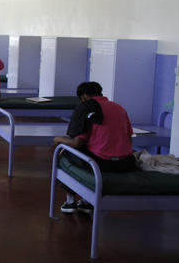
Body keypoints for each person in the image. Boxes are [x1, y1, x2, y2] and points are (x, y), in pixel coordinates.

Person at [53, 81, 136, 214]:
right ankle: (86, 202)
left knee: (64, 153)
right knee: (90, 150)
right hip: (126, 163)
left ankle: (70, 201)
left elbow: (77, 143)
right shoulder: (119, 108)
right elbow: (129, 138)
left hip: (100, 164)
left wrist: (58, 139)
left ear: (83, 97)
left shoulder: (86, 108)